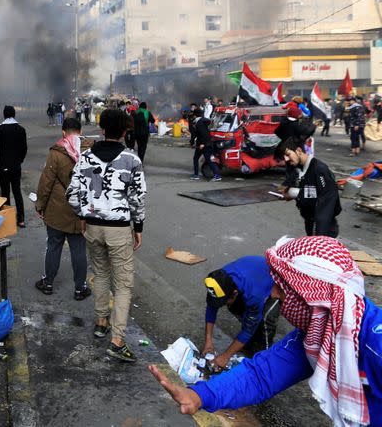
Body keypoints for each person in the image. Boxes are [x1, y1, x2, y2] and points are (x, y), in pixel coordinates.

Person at [150, 236, 382, 427]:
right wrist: (201, 395)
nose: (273, 294)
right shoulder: (317, 335)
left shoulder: (376, 345)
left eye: (282, 289)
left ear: (315, 297)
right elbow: (261, 375)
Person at [66, 109, 146, 363]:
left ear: (102, 129)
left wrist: (82, 215)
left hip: (92, 226)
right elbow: (138, 198)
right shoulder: (131, 159)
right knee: (123, 284)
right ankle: (117, 340)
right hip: (119, 228)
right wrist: (139, 227)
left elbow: (72, 192)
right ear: (124, 131)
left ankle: (102, 322)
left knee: (100, 273)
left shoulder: (86, 157)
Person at [34, 117, 92, 300]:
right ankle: (80, 288)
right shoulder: (91, 151)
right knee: (79, 250)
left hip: (57, 210)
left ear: (63, 132)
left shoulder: (57, 151)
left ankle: (48, 283)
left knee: (53, 246)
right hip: (81, 211)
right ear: (81, 131)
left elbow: (46, 183)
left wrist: (40, 205)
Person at [202, 257, 279, 370]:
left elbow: (249, 328)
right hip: (252, 275)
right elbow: (211, 308)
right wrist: (208, 341)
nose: (222, 305)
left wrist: (225, 357)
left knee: (266, 317)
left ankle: (264, 358)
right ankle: (247, 343)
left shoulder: (254, 294)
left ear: (235, 293)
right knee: (234, 307)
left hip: (276, 281)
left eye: (225, 300)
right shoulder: (218, 281)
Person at [282, 136, 341, 237]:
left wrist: (319, 236)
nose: (286, 159)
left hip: (322, 228)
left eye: (288, 154)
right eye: (284, 156)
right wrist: (289, 194)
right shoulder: (299, 168)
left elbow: (328, 201)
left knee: (319, 252)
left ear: (299, 151)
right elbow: (310, 193)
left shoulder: (319, 169)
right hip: (310, 223)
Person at [0, 105, 28, 227]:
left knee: (5, 193)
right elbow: (24, 149)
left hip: (3, 166)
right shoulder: (21, 129)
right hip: (16, 166)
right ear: (14, 114)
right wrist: (19, 161)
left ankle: (8, 220)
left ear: (4, 115)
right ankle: (21, 220)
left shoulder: (0, 129)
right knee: (17, 192)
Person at [190, 108, 221, 181]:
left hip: (203, 144)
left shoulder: (199, 123)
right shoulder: (205, 121)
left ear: (195, 115)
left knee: (208, 159)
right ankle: (196, 174)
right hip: (204, 144)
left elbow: (204, 134)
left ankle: (216, 176)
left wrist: (203, 144)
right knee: (200, 158)